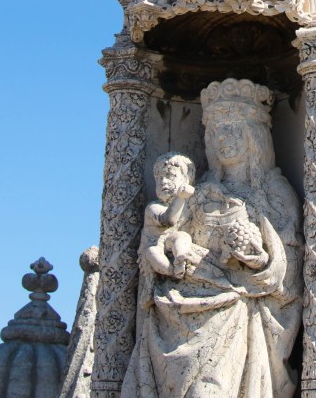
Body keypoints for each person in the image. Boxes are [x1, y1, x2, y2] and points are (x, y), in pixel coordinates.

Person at [123, 78, 303, 398]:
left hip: (236, 305)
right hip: (183, 296)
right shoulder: (199, 190)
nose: (225, 139)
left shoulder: (275, 193)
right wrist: (179, 247)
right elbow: (167, 233)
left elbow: (290, 272)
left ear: (254, 135)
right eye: (218, 130)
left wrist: (255, 258)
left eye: (234, 129)